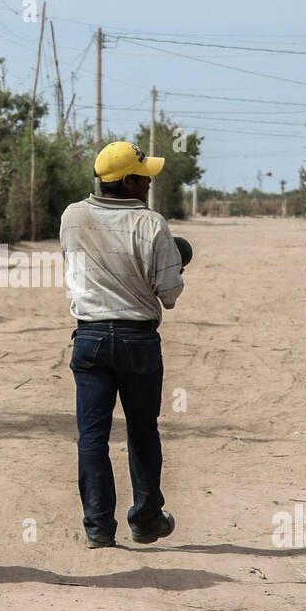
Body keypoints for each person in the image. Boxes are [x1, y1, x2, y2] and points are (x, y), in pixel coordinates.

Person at [60, 141, 184, 549]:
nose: (149, 182)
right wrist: (177, 259)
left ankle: (98, 527)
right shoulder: (151, 224)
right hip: (137, 340)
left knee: (92, 436)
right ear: (128, 181)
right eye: (144, 175)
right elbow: (169, 291)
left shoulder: (72, 216)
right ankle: (146, 519)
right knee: (142, 431)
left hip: (91, 337)